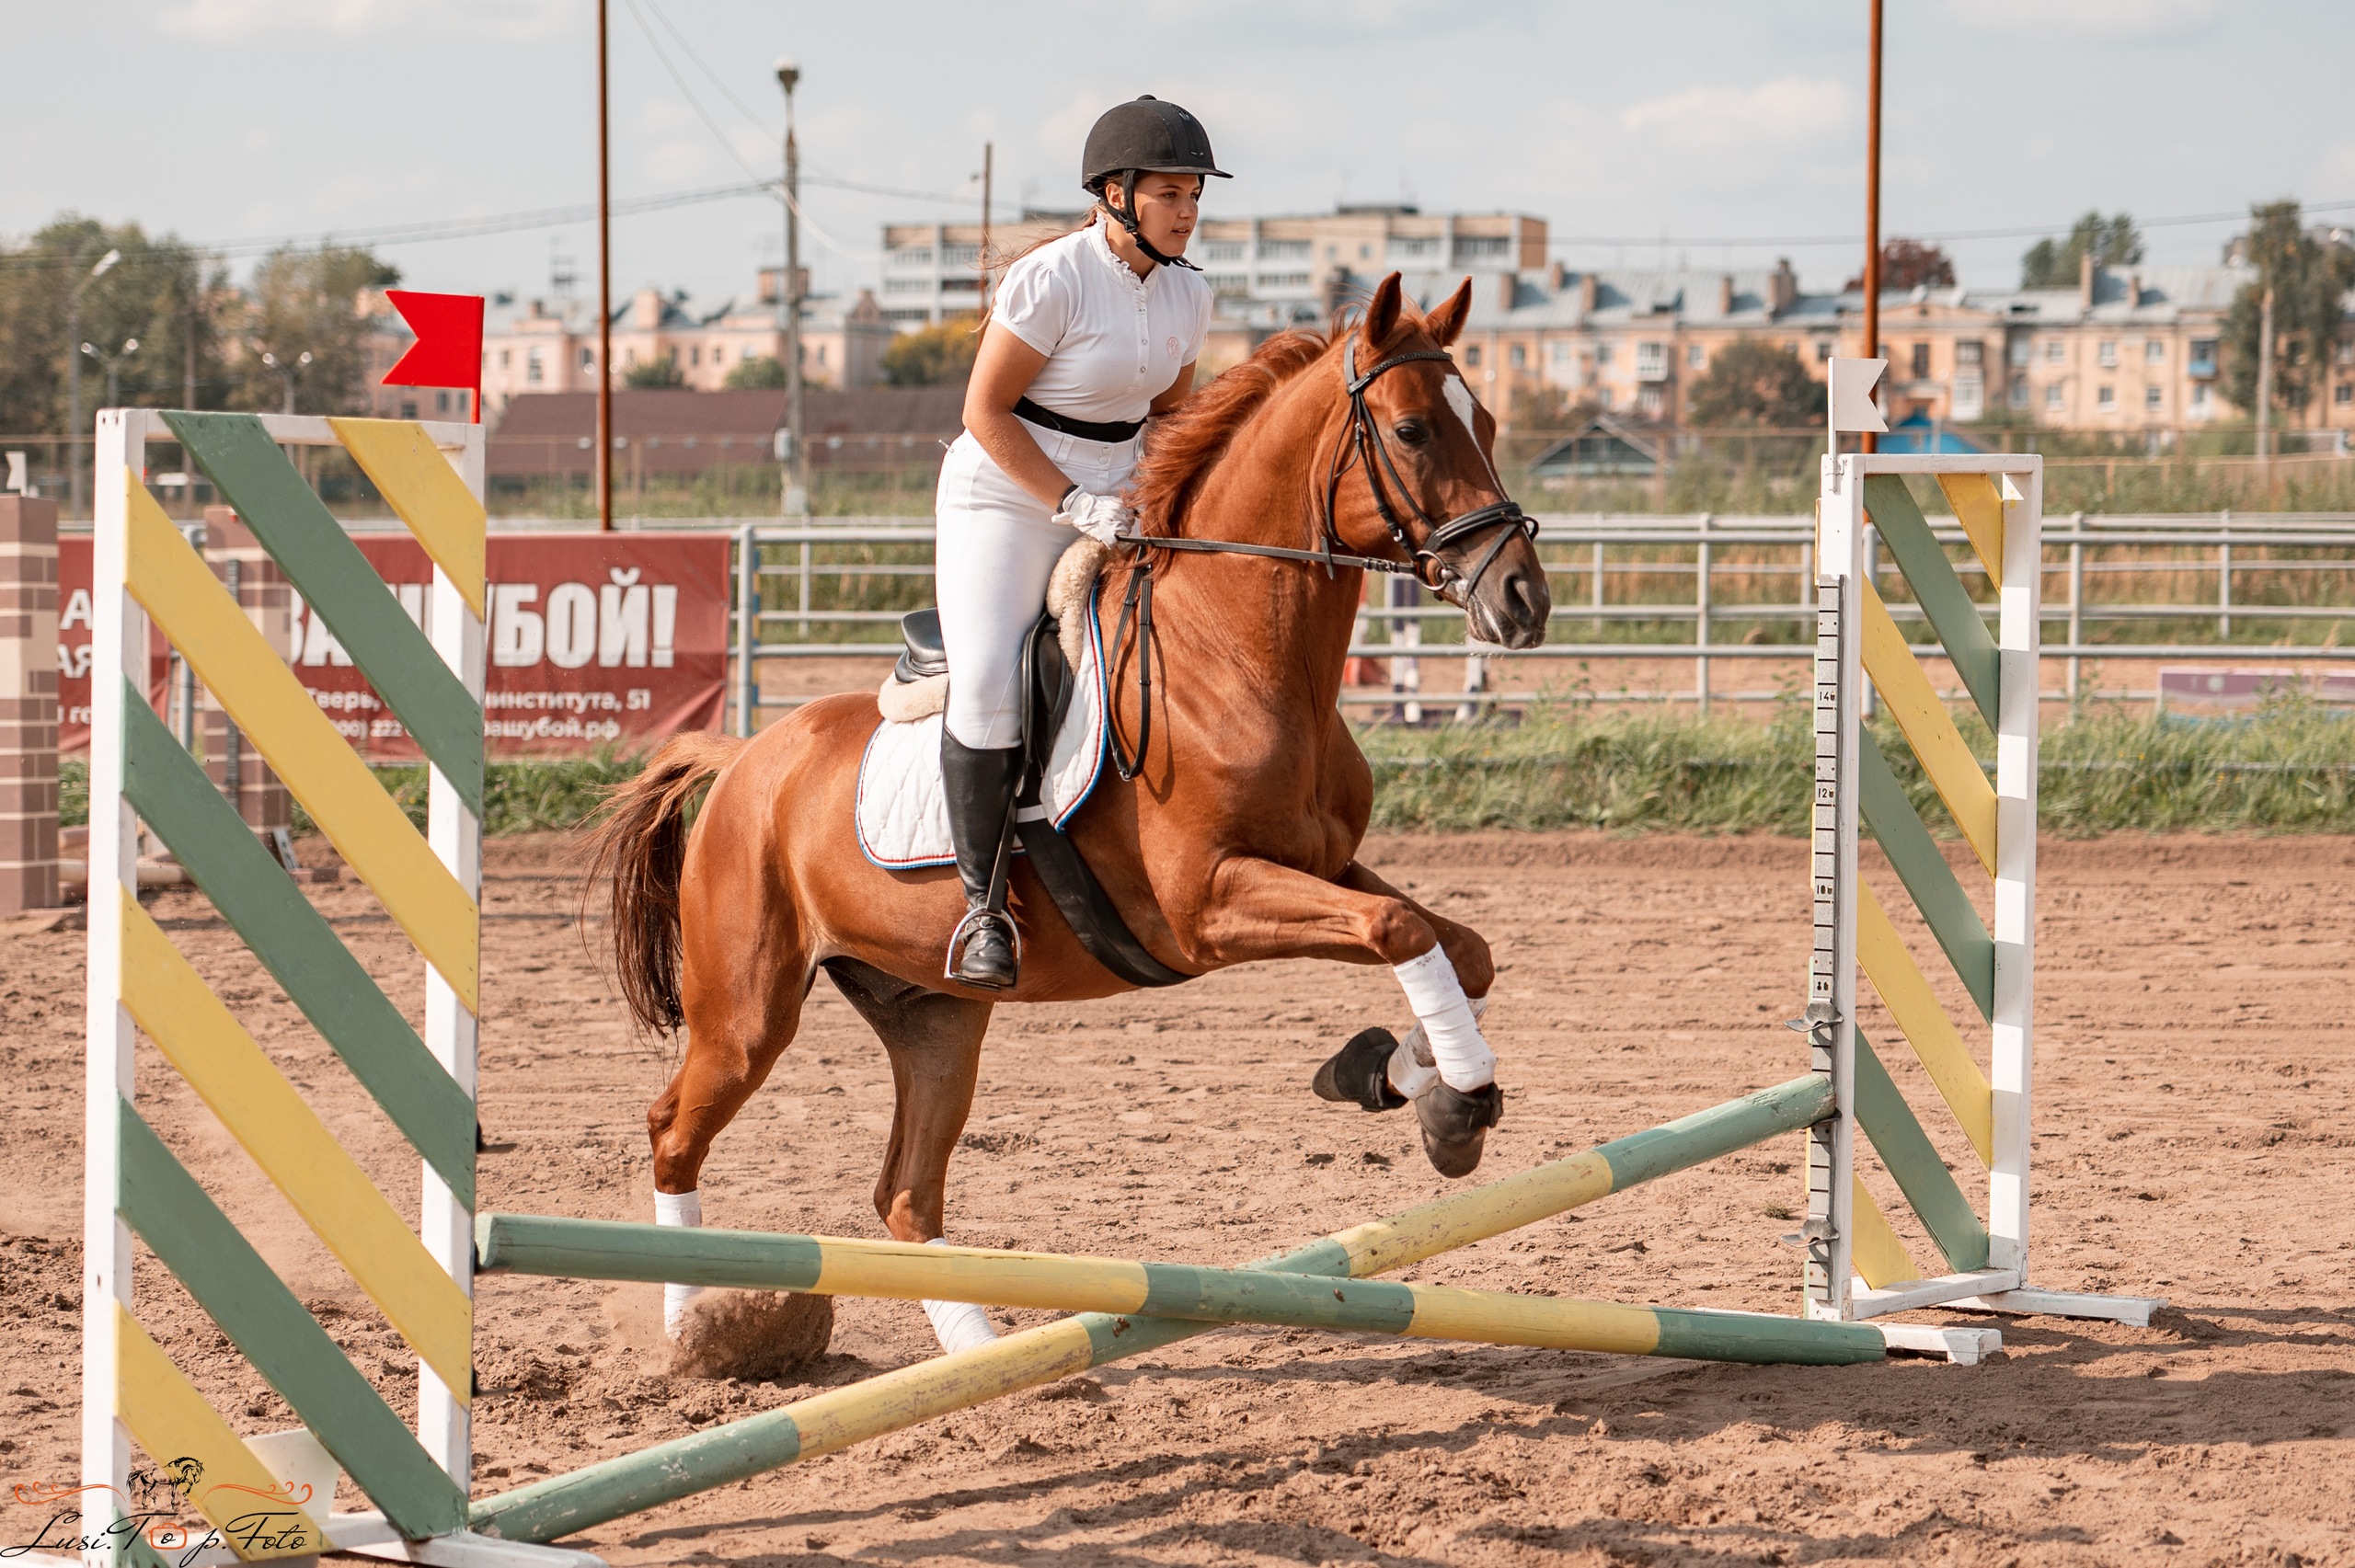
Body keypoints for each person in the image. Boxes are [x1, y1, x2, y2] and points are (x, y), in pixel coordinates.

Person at [930, 96, 1224, 990]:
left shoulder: (1189, 293)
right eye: (1170, 194)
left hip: (1118, 498)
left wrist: (1159, 502)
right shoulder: (1052, 278)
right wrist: (1069, 500)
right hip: (1006, 496)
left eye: (1194, 196)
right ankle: (983, 911)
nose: (1186, 212)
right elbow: (983, 412)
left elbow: (1168, 418)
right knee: (990, 679)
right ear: (1116, 194)